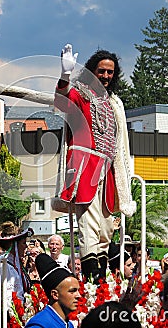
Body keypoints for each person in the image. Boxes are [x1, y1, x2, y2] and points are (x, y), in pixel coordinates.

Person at [54, 44, 136, 282]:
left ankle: (99, 285)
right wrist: (65, 75)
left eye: (110, 72)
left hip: (108, 171)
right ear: (92, 71)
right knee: (88, 227)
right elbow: (62, 102)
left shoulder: (114, 102)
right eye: (101, 71)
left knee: (106, 229)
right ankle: (91, 284)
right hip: (86, 167)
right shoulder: (81, 93)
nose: (106, 76)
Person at [25, 253, 80, 328]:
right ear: (55, 294)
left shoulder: (68, 324)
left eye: (77, 290)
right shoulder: (39, 325)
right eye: (72, 291)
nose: (78, 295)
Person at [0, 221, 33, 306]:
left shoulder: (14, 265)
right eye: (24, 243)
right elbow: (8, 301)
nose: (26, 246)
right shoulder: (5, 267)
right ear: (14, 245)